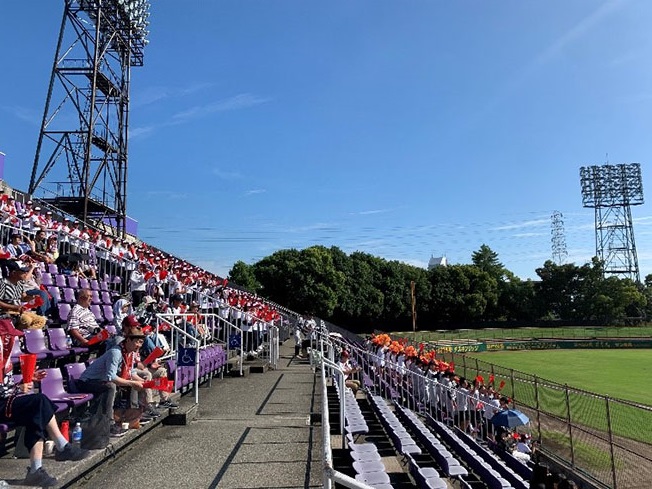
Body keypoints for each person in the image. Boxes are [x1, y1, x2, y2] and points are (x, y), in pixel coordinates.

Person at [0, 302, 90, 486]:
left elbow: (6, 382)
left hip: (8, 400)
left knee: (38, 410)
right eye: (9, 337)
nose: (13, 340)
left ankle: (37, 468)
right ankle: (60, 447)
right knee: (39, 402)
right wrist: (20, 387)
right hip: (2, 404)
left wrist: (28, 378)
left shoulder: (5, 355)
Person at [75, 325, 147, 438]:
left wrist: (144, 382)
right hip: (87, 381)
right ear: (128, 340)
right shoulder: (116, 352)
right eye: (137, 342)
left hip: (101, 381)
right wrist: (133, 383)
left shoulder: (130, 353)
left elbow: (131, 372)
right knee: (111, 386)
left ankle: (132, 415)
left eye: (141, 342)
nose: (138, 345)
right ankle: (109, 423)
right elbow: (111, 377)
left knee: (134, 383)